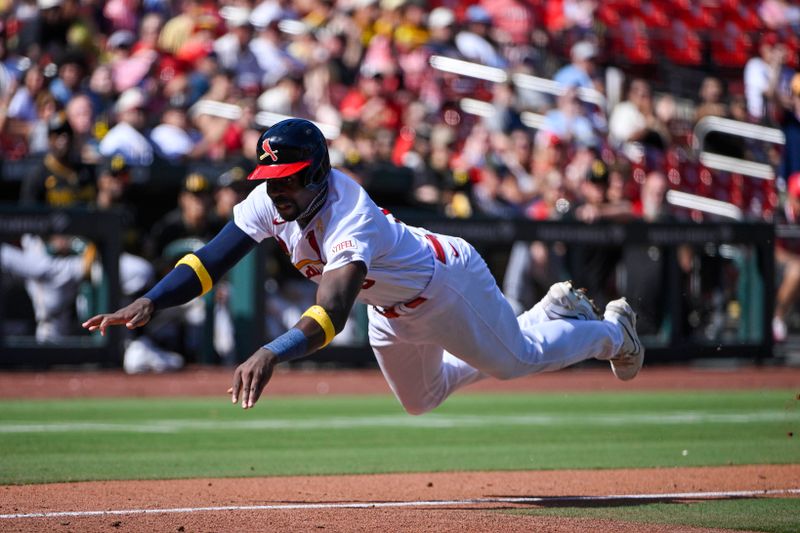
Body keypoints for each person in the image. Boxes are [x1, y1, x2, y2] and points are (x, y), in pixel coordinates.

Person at [82, 118, 644, 413]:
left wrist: (271, 350)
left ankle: (611, 336)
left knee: (517, 361)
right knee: (422, 402)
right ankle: (549, 310)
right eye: (271, 179)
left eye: (291, 178)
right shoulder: (271, 201)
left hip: (444, 284)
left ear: (319, 173)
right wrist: (151, 300)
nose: (277, 191)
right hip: (392, 309)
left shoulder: (351, 216)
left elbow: (329, 313)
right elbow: (210, 262)